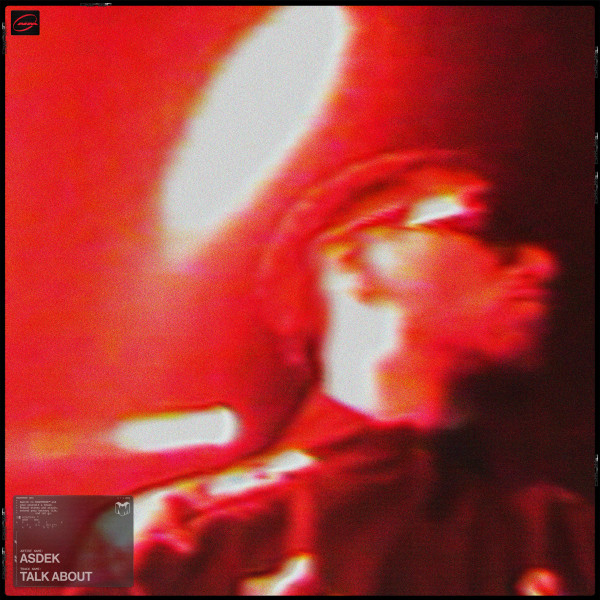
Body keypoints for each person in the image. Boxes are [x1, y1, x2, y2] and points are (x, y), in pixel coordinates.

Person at [70, 6, 594, 596]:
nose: (540, 263)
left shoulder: (567, 534)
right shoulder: (142, 528)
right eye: (483, 225)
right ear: (355, 264)